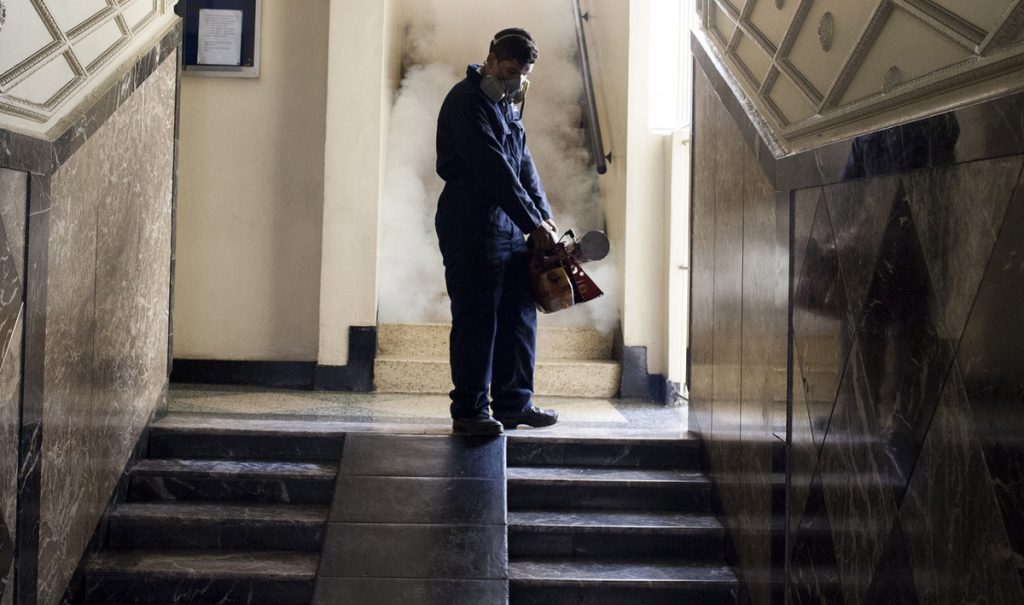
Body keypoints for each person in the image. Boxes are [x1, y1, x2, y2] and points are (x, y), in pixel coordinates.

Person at [435, 28, 560, 436]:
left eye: (522, 75)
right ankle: (470, 411)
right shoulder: (467, 102)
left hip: (508, 223)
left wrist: (544, 217)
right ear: (490, 59)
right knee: (478, 320)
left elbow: (524, 164)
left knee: (519, 316)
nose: (514, 81)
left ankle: (514, 403)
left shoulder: (506, 105)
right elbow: (493, 168)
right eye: (508, 70)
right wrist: (531, 221)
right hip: (472, 222)